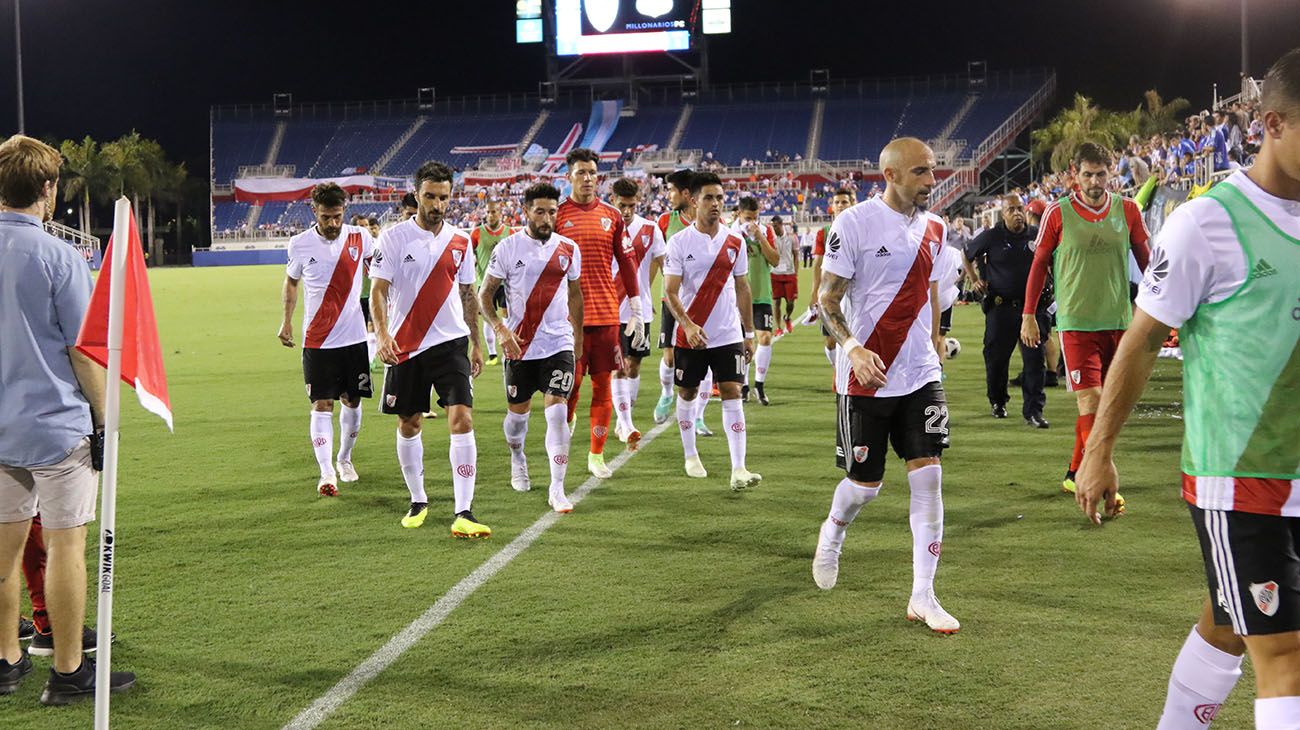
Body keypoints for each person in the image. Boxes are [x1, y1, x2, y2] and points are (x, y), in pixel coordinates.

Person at [1076, 48, 1300, 729]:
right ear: (1272, 124)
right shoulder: (1208, 221)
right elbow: (1143, 339)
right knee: (1286, 654)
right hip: (1240, 478)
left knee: (1228, 624)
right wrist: (1098, 451)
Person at [0, 135, 135, 703]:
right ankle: (68, 669)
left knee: (4, 556)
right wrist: (106, 423)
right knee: (64, 548)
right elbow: (86, 349)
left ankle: (6, 661)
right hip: (56, 430)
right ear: (48, 189)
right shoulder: (59, 256)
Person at [811, 137, 957, 635]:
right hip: (865, 377)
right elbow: (827, 301)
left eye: (933, 171)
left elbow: (935, 290)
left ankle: (924, 594)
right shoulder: (852, 224)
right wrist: (852, 348)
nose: (931, 181)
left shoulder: (937, 229)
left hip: (920, 374)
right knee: (865, 487)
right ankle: (834, 530)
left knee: (929, 475)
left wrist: (937, 338)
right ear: (890, 175)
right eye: (920, 172)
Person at [1021, 142, 1149, 502]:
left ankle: (1076, 470)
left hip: (1119, 321)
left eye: (1101, 174)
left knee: (1109, 404)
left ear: (1112, 174)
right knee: (1090, 401)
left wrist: (1158, 310)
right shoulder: (1057, 212)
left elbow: (1149, 263)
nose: (1095, 181)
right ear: (1074, 176)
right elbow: (1039, 265)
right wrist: (1029, 314)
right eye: (1088, 174)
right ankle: (1099, 474)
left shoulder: (1128, 210)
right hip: (1076, 323)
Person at [369, 161, 489, 538]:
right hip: (405, 345)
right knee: (410, 422)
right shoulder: (392, 238)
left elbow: (468, 294)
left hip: (451, 343)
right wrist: (383, 335)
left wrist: (477, 342)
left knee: (462, 420)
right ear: (417, 194)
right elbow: (378, 290)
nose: (438, 204)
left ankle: (464, 510)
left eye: (444, 197)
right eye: (431, 197)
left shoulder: (460, 240)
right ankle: (418, 499)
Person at [478, 183, 584, 513]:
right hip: (520, 347)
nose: (546, 218)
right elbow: (484, 296)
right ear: (525, 211)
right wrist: (500, 329)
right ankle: (517, 457)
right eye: (540, 211)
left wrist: (577, 338)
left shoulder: (568, 248)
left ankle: (557, 487)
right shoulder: (508, 249)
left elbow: (576, 294)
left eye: (552, 212)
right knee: (517, 420)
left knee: (557, 414)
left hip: (558, 344)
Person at [663, 172, 761, 490]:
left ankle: (739, 469)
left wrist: (749, 333)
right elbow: (670, 292)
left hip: (728, 334)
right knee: (688, 393)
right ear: (693, 200)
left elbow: (743, 287)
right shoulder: (679, 243)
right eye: (709, 197)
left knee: (732, 392)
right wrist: (688, 325)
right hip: (691, 336)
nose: (716, 203)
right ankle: (691, 455)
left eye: (720, 197)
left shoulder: (735, 242)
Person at [278, 183, 375, 496]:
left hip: (355, 337)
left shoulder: (361, 237)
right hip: (318, 340)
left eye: (337, 216)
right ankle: (326, 473)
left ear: (343, 211)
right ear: (313, 212)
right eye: (326, 217)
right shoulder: (300, 244)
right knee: (322, 404)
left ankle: (345, 458)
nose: (333, 223)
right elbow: (291, 283)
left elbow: (381, 274)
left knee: (353, 400)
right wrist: (286, 322)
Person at [558, 149, 645, 478]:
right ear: (569, 177)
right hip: (568, 320)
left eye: (593, 172)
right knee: (570, 386)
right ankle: (564, 434)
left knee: (602, 386)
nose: (588, 178)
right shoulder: (557, 215)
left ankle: (596, 454)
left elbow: (627, 262)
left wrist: (635, 306)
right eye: (581, 172)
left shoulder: (612, 215)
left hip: (607, 315)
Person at [963, 194, 1050, 428]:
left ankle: (1033, 411)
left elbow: (1050, 259)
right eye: (1011, 209)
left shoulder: (1035, 235)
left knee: (1034, 361)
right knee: (997, 361)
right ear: (1003, 214)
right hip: (1001, 309)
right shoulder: (992, 237)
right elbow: (966, 253)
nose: (1017, 213)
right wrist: (975, 280)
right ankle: (998, 401)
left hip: (1031, 310)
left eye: (1020, 208)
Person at [609, 178, 665, 449]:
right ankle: (625, 420)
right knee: (618, 367)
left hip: (638, 310)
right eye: (622, 205)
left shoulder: (651, 229)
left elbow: (666, 266)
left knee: (634, 366)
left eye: (631, 205)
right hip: (608, 311)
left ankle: (623, 419)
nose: (627, 211)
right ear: (613, 200)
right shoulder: (604, 227)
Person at [652, 169, 696, 425]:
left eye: (671, 190)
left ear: (686, 193)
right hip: (670, 299)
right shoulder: (665, 221)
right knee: (669, 356)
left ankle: (696, 415)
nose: (668, 196)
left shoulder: (708, 221)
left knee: (697, 357)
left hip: (699, 301)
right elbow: (656, 258)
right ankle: (667, 394)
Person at [732, 197, 779, 405]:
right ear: (739, 215)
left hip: (762, 295)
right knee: (742, 343)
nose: (751, 222)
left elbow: (775, 260)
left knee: (765, 338)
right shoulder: (730, 233)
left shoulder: (766, 231)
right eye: (748, 218)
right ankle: (743, 385)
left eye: (755, 217)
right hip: (738, 298)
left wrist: (760, 236)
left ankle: (759, 385)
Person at [808, 189, 856, 364]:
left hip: (855, 293)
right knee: (830, 341)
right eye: (837, 202)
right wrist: (815, 293)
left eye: (844, 202)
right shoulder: (825, 232)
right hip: (831, 293)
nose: (841, 205)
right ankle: (838, 369)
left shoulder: (860, 230)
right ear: (832, 207)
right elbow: (818, 264)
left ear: (851, 204)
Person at [470, 199, 512, 365]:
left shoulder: (509, 232)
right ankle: (493, 355)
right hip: (484, 283)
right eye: (488, 212)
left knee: (507, 315)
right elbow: (469, 255)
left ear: (500, 213)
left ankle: (508, 351)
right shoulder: (476, 233)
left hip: (505, 283)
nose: (490, 215)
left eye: (493, 212)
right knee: (488, 317)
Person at [769, 216, 800, 335]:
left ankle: (787, 317)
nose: (774, 228)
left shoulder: (792, 237)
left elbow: (796, 255)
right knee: (776, 302)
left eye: (775, 226)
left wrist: (796, 273)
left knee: (790, 302)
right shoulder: (771, 238)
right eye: (772, 226)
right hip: (775, 273)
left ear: (781, 224)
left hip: (789, 273)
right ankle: (778, 327)